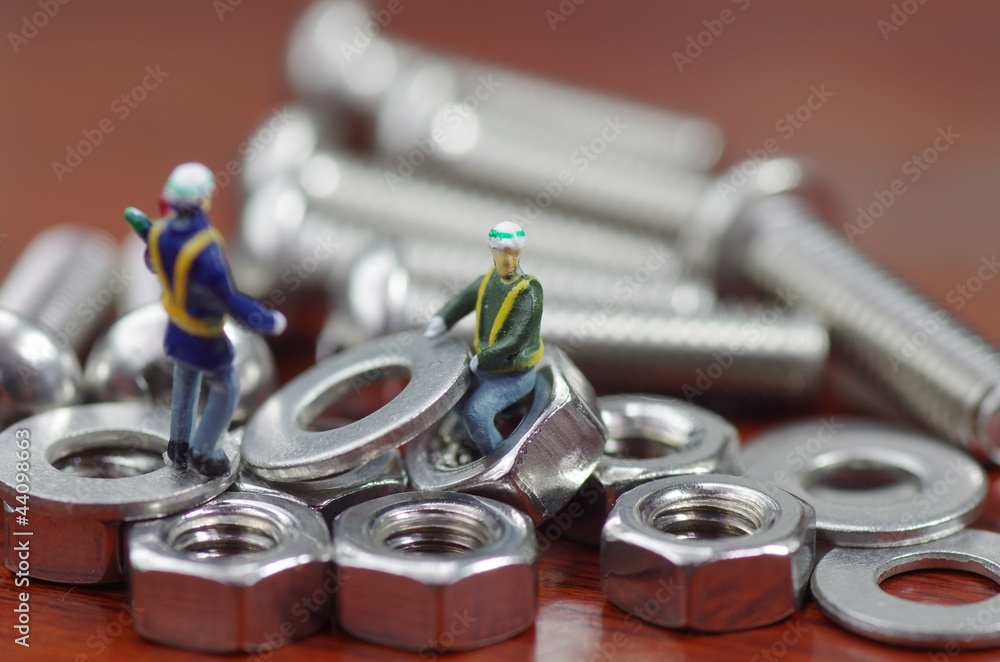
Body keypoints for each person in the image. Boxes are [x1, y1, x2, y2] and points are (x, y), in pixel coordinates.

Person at [124, 162, 286, 477]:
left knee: (185, 384)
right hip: (204, 337)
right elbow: (228, 299)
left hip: (176, 331)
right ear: (202, 198)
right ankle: (204, 450)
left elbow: (154, 263)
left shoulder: (159, 234)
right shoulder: (206, 250)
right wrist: (266, 320)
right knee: (226, 388)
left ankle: (179, 446)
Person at [425, 221, 543, 455]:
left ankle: (499, 458)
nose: (506, 259)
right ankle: (472, 442)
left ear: (519, 252)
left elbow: (515, 341)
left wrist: (483, 359)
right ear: (492, 252)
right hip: (485, 370)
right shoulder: (487, 282)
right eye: (500, 252)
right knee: (453, 398)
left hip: (514, 375)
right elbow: (462, 300)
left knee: (477, 413)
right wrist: (443, 319)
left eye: (511, 253)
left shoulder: (528, 292)